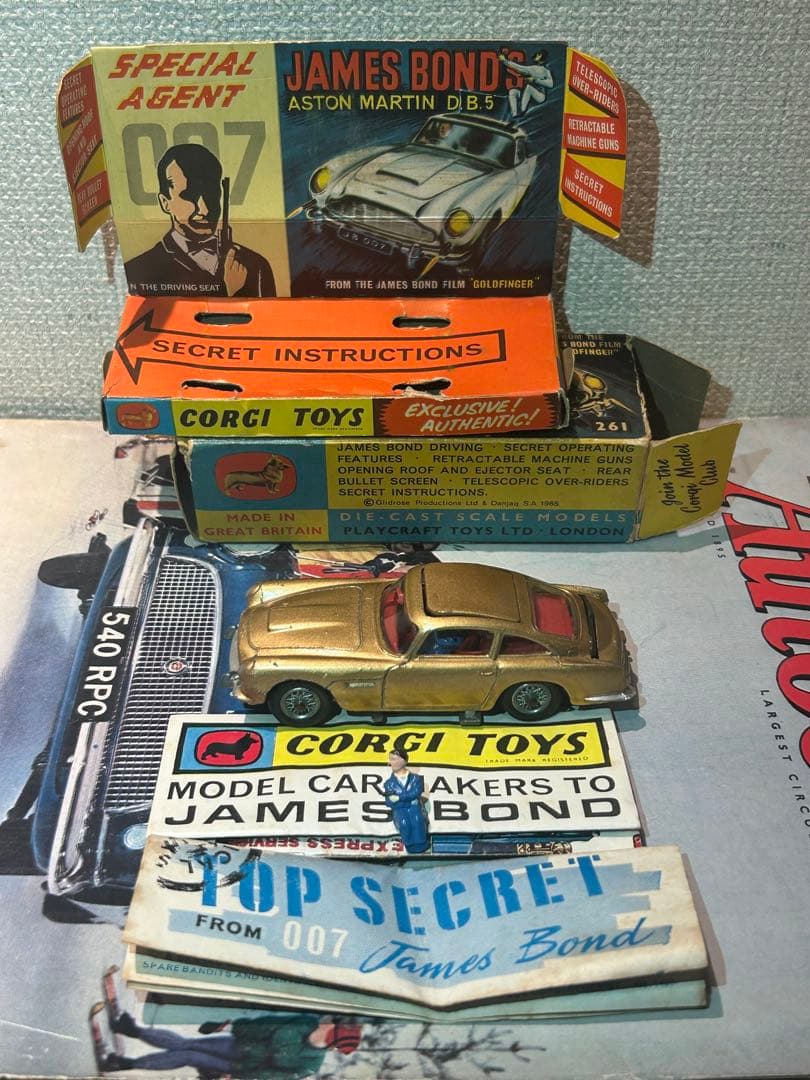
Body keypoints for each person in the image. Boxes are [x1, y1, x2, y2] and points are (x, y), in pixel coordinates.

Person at [124, 143, 276, 297]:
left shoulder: (256, 265)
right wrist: (229, 292)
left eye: (211, 194)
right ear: (165, 202)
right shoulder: (138, 270)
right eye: (189, 196)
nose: (204, 210)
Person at [103, 1011, 361, 1077]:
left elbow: (270, 1077)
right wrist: (229, 1026)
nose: (328, 1023)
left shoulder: (310, 1063)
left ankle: (125, 1064)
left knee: (189, 1055)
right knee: (188, 1045)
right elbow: (265, 1025)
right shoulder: (306, 1022)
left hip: (238, 1066)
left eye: (332, 1026)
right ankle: (131, 1030)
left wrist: (236, 1077)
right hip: (237, 1045)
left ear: (332, 1038)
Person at [383, 749, 429, 853]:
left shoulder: (415, 779)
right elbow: (389, 801)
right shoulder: (389, 783)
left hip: (414, 807)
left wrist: (399, 798)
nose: (389, 762)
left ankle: (422, 844)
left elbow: (416, 792)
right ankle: (410, 845)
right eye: (390, 759)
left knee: (418, 821)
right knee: (404, 823)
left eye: (393, 759)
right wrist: (406, 800)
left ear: (403, 761)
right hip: (400, 809)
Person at [499, 50, 554, 117]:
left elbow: (551, 84)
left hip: (540, 96)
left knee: (529, 88)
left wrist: (535, 80)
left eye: (539, 54)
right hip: (526, 95)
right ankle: (514, 114)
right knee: (512, 91)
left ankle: (522, 111)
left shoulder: (546, 70)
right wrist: (505, 61)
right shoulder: (533, 68)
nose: (536, 56)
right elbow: (519, 68)